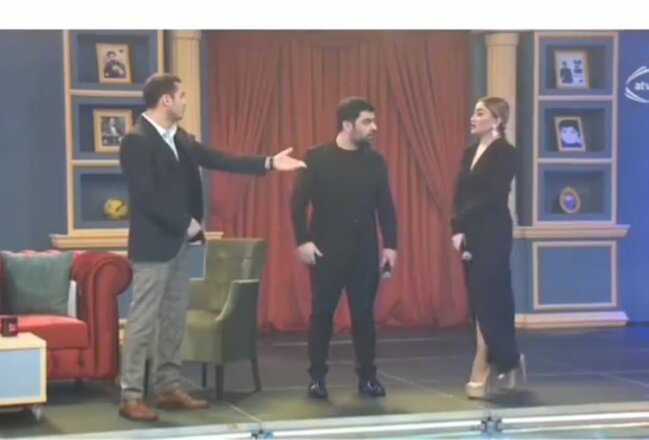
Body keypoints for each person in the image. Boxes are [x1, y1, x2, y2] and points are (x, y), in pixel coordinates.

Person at [118, 73, 306, 421]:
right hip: (153, 246)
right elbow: (146, 197)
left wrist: (268, 162)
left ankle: (168, 386)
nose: (186, 101)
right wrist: (185, 223)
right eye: (181, 96)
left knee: (174, 318)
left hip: (178, 245)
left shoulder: (180, 138)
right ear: (165, 100)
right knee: (143, 321)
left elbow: (219, 159)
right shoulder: (137, 140)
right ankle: (130, 396)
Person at [291, 97, 398, 399]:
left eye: (373, 121)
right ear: (347, 125)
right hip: (325, 251)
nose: (374, 127)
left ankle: (367, 378)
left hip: (364, 251)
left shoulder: (375, 162)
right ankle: (317, 378)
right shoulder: (316, 158)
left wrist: (391, 246)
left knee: (364, 316)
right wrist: (303, 240)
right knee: (322, 314)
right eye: (367, 122)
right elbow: (297, 203)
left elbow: (385, 207)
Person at [451, 96, 525, 399]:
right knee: (477, 298)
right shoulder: (469, 152)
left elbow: (492, 195)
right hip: (470, 232)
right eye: (474, 111)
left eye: (480, 113)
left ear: (497, 120)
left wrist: (463, 221)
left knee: (490, 297)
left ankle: (483, 363)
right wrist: (457, 229)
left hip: (493, 230)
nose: (473, 117)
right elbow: (460, 194)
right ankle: (509, 360)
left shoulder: (506, 153)